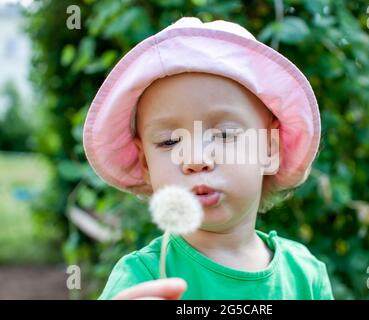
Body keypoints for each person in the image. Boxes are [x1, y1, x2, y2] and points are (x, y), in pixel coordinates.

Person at [83, 17, 333, 300]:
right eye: (169, 141)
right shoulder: (142, 280)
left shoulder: (306, 277)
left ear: (269, 148)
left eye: (225, 135)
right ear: (145, 164)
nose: (195, 159)